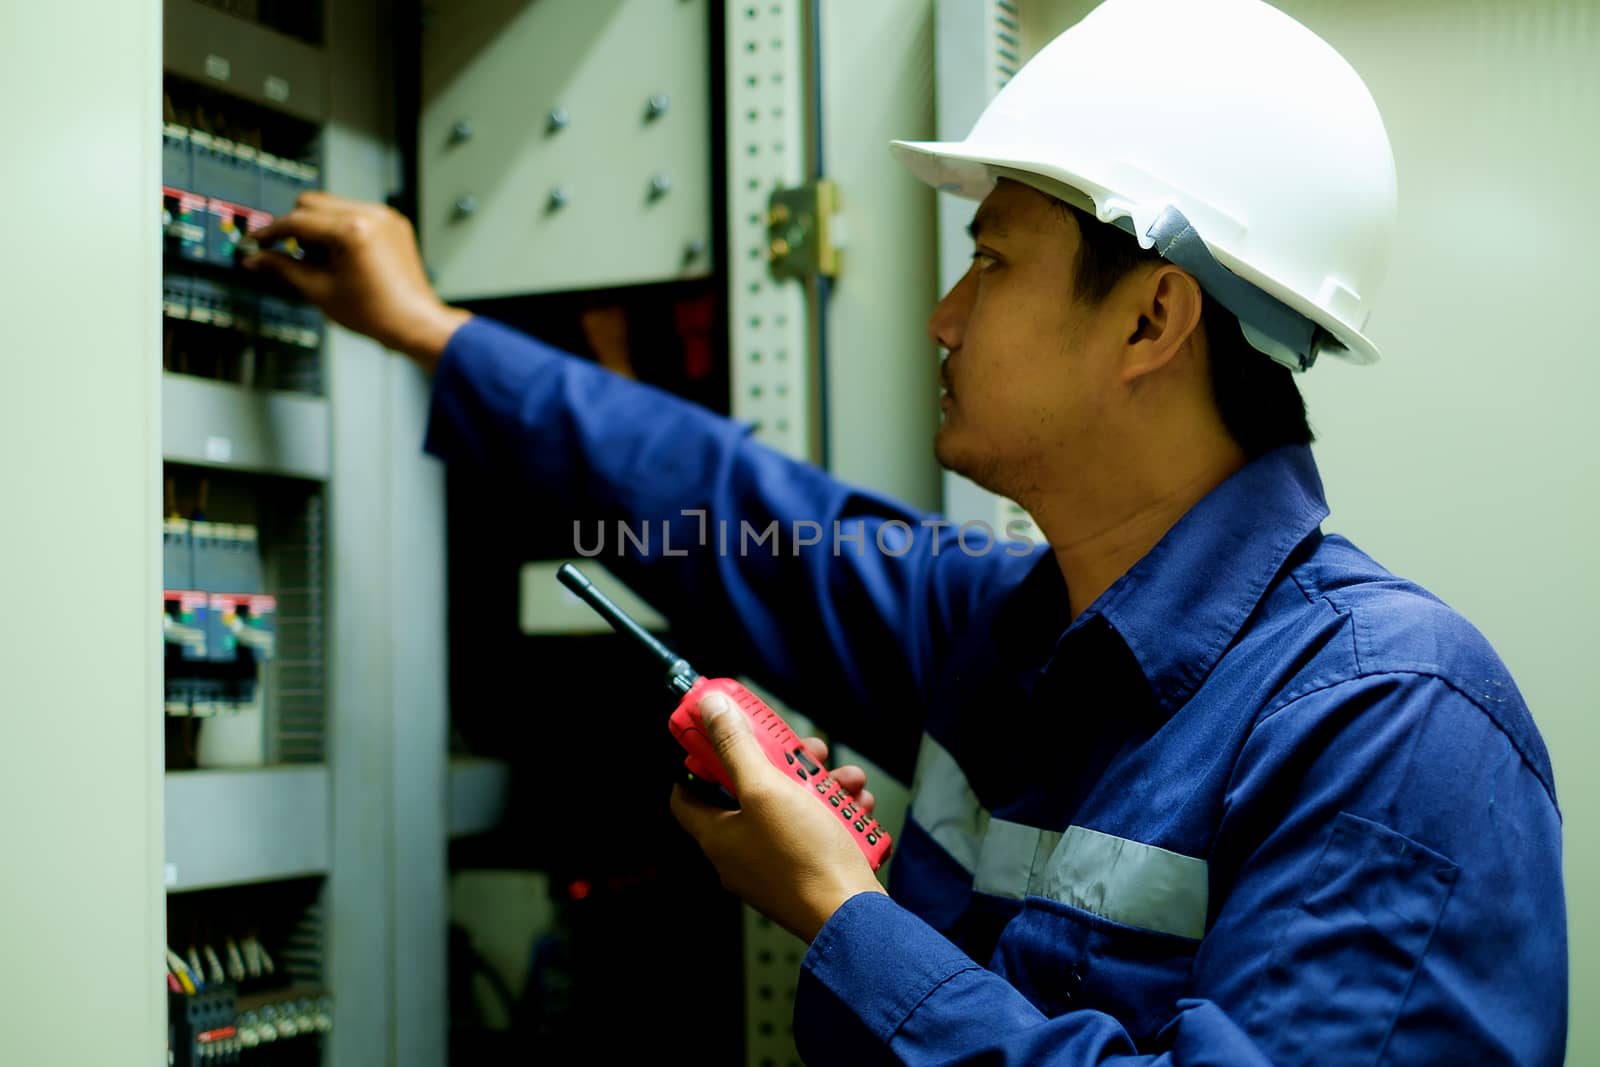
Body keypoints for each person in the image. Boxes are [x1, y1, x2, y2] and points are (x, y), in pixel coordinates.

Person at [247, 0, 1566, 1062]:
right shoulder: (1001, 626)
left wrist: (837, 913)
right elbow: (731, 516)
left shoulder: (1397, 725)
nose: (942, 315)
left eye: (989, 261)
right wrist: (430, 332)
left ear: (1152, 321)